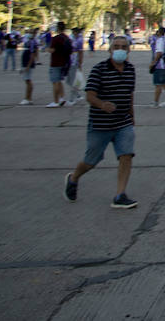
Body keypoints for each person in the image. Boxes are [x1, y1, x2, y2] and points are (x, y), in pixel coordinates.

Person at [64, 34, 138, 209]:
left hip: (123, 123)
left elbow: (129, 94)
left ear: (128, 51)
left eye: (123, 47)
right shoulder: (99, 69)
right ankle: (73, 178)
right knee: (91, 161)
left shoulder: (130, 69)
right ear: (110, 50)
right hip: (101, 125)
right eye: (116, 47)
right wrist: (102, 104)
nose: (120, 50)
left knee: (126, 155)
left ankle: (120, 195)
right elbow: (90, 95)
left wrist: (132, 117)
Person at [47, 22, 72, 108]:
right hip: (64, 62)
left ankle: (56, 101)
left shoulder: (56, 38)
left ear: (57, 28)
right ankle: (62, 98)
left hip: (56, 62)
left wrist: (48, 49)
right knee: (60, 81)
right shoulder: (66, 38)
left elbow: (52, 50)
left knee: (55, 82)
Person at [19, 28, 40, 104]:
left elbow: (32, 54)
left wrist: (28, 65)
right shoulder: (29, 41)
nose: (29, 34)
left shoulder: (32, 42)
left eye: (31, 32)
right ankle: (28, 98)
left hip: (28, 63)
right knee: (27, 80)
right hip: (25, 62)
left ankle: (28, 98)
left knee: (28, 80)